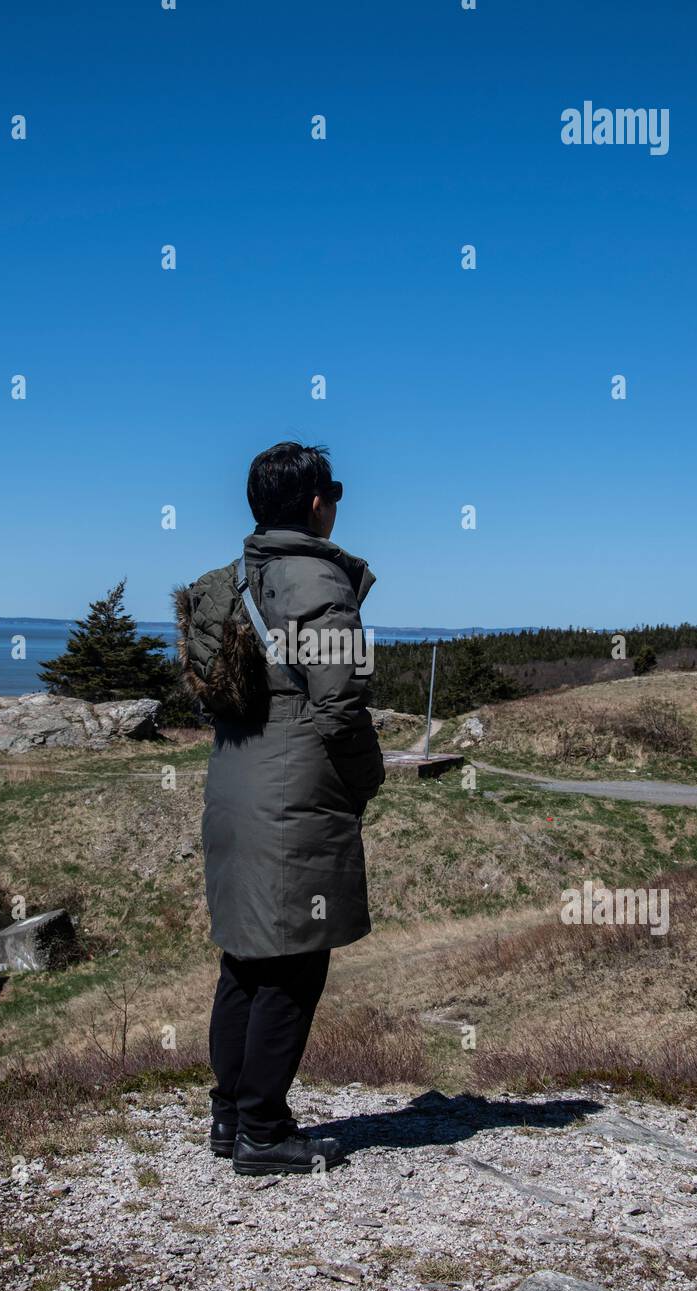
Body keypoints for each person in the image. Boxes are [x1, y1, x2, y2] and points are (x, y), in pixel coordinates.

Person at [186, 441, 385, 1176]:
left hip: (233, 783)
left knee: (244, 958)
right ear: (314, 503)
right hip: (295, 794)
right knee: (296, 963)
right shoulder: (315, 580)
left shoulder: (230, 580)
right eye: (333, 490)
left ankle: (230, 1117)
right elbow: (340, 701)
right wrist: (364, 780)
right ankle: (264, 1134)